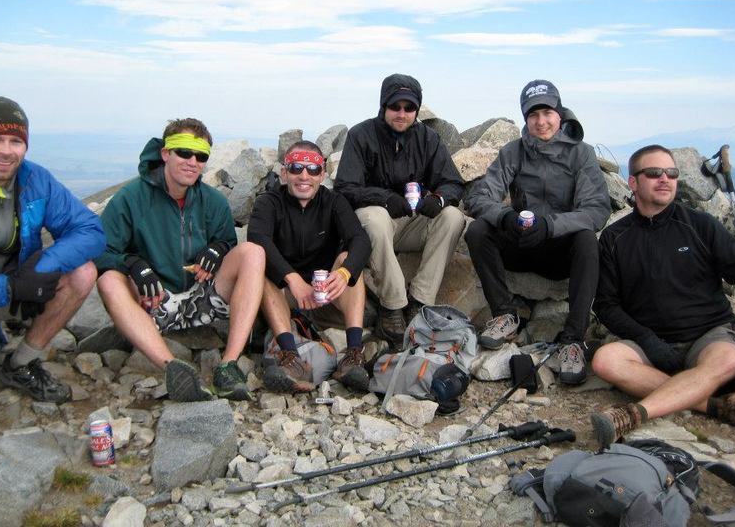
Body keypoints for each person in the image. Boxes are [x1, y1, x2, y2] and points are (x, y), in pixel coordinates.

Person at [0, 96, 105, 410]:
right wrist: (9, 287)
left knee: (83, 273)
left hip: (20, 289)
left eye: (16, 141)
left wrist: (42, 266)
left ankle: (21, 363)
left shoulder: (34, 180)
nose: (6, 150)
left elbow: (89, 230)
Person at [95, 118, 265, 402]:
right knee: (109, 280)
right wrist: (133, 265)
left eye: (200, 156)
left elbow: (227, 242)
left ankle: (228, 365)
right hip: (155, 301)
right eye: (184, 152)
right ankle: (173, 369)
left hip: (202, 297)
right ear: (165, 154)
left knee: (254, 253)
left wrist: (217, 250)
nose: (192, 162)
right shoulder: (131, 198)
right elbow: (99, 249)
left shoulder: (212, 201)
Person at [590, 144, 735, 447]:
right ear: (633, 182)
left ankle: (635, 414)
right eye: (654, 172)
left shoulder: (700, 225)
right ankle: (713, 405)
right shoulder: (614, 238)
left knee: (729, 359)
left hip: (709, 334)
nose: (665, 179)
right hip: (651, 340)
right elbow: (606, 305)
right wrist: (647, 340)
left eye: (671, 173)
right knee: (605, 360)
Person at [464, 79, 610, 385]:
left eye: (547, 112)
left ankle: (572, 340)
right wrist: (506, 218)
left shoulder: (581, 153)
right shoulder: (513, 152)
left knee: (587, 241)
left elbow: (596, 210)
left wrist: (552, 225)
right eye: (533, 115)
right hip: (522, 242)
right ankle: (506, 315)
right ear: (525, 118)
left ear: (560, 114)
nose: (541, 122)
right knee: (478, 231)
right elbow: (478, 197)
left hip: (559, 251)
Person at [334, 74, 466, 343]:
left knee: (453, 216)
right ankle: (392, 305)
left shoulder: (429, 139)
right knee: (375, 215)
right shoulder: (360, 135)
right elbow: (345, 187)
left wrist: (439, 199)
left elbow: (453, 183)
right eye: (395, 106)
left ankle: (420, 300)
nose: (402, 113)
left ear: (417, 110)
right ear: (383, 106)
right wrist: (383, 197)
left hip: (412, 223)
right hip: (375, 228)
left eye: (409, 108)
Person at [248, 141, 372, 393]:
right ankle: (291, 358)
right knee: (260, 269)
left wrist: (344, 272)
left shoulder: (334, 202)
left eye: (313, 170)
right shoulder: (269, 202)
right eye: (296, 168)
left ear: (322, 174)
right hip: (286, 296)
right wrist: (292, 279)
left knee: (349, 260)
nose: (304, 176)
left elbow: (360, 239)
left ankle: (353, 354)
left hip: (325, 293)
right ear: (284, 173)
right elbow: (257, 238)